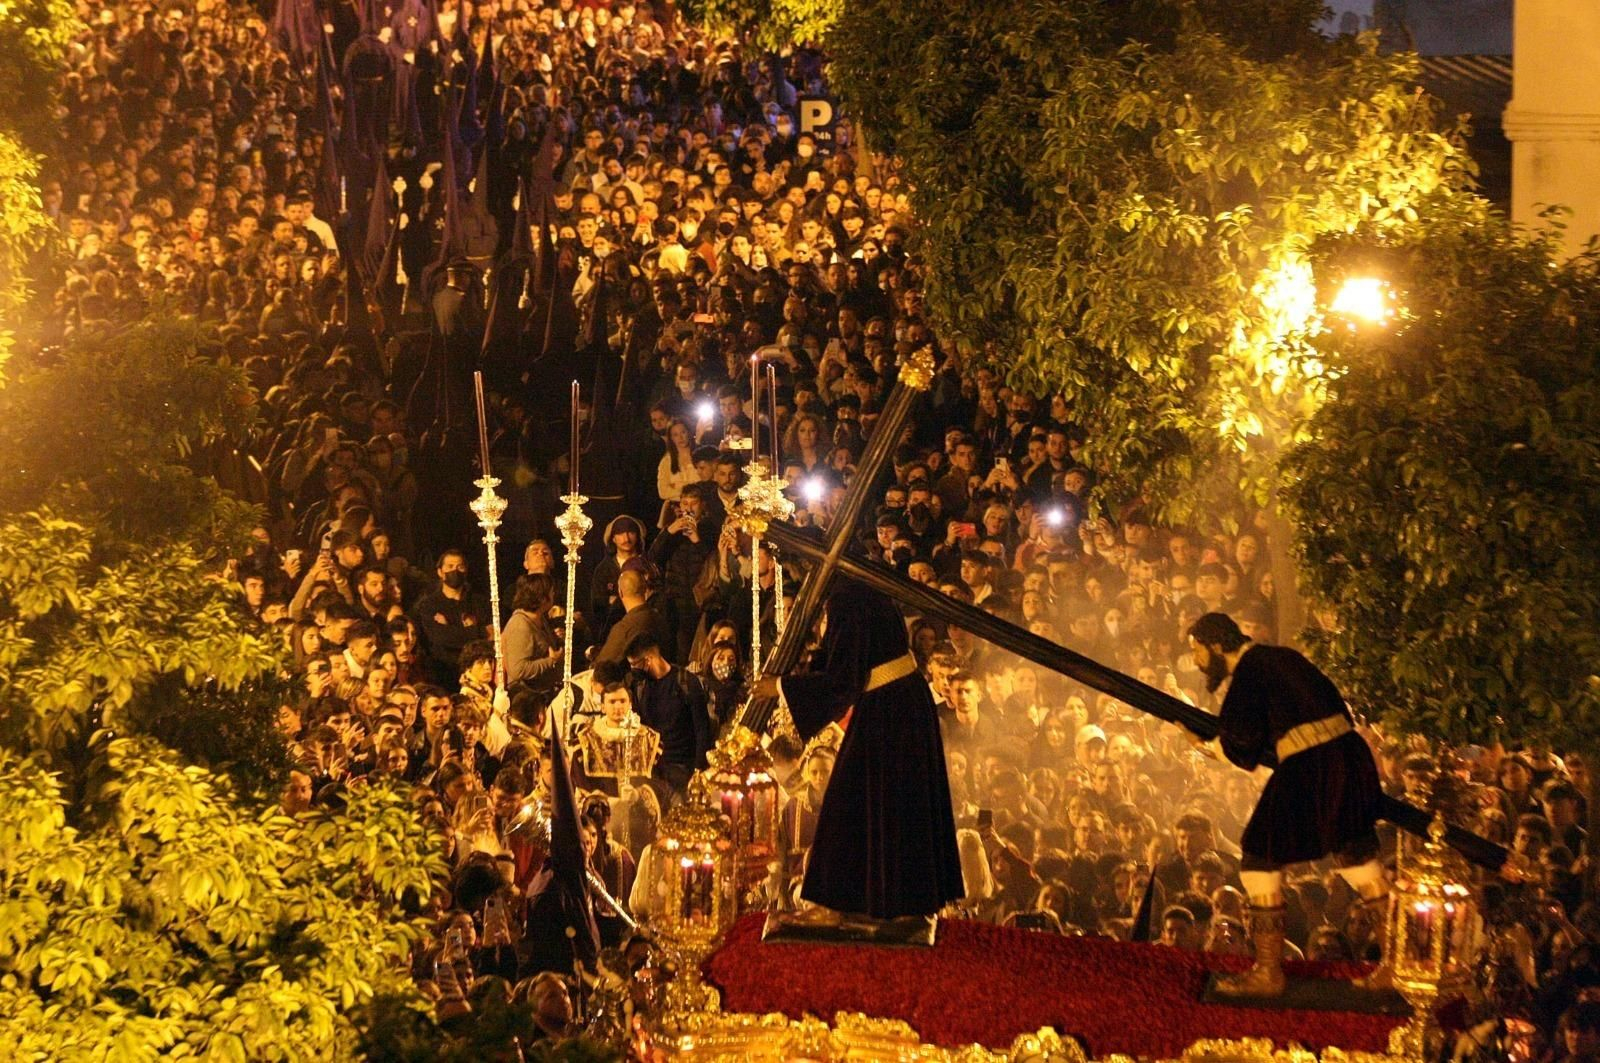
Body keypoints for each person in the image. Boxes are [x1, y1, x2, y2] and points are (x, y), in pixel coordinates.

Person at [1184, 612, 1386, 996]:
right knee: (1358, 857)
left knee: (1259, 857)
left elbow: (1240, 743)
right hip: (1349, 756)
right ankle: (1394, 963)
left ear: (1214, 645)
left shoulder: (1248, 671)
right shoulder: (1282, 658)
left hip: (1311, 761)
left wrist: (1204, 748)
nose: (1195, 660)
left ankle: (1268, 971)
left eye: (1196, 649)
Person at [752, 583, 964, 929]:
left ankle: (833, 904)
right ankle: (906, 902)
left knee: (844, 802)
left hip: (889, 708)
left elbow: (842, 679)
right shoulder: (861, 593)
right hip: (895, 703)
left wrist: (780, 686)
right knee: (895, 806)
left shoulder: (847, 597)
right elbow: (845, 656)